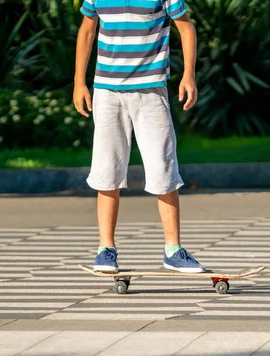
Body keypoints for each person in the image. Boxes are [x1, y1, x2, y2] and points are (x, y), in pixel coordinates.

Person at [73, 0, 204, 274]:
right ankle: (105, 249)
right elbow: (87, 30)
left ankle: (173, 250)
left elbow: (186, 28)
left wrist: (189, 76)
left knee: (163, 167)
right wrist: (79, 82)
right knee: (107, 169)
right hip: (107, 92)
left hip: (151, 91)